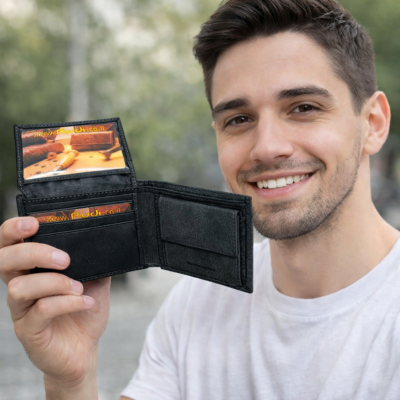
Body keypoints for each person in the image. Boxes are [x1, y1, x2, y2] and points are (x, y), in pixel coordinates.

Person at [1, 0, 399, 398]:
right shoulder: (198, 302)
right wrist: (71, 379)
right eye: (239, 119)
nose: (266, 147)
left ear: (373, 124)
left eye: (304, 107)